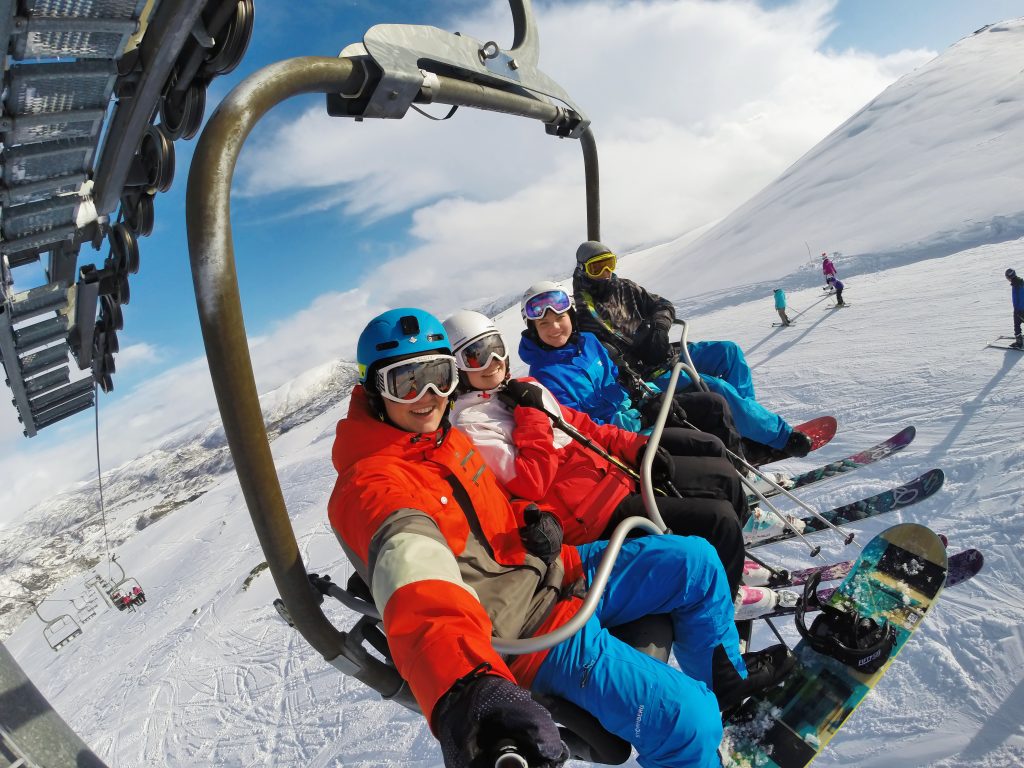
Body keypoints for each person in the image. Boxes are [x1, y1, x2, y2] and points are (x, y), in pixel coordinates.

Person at [327, 308, 793, 768]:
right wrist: (469, 689)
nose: (428, 396)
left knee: (696, 561)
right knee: (687, 720)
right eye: (407, 382)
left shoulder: (444, 439)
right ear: (373, 388)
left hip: (557, 570)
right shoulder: (372, 486)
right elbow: (419, 584)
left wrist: (531, 518)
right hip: (528, 629)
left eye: (439, 377)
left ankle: (725, 684)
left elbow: (496, 505)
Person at [442, 309, 753, 599]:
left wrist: (636, 446)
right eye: (476, 356)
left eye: (495, 347)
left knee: (722, 477)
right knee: (719, 520)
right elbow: (531, 483)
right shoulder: (472, 425)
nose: (493, 361)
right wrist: (531, 414)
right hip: (593, 515)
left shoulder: (523, 387)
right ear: (457, 368)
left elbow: (585, 426)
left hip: (615, 475)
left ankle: (731, 560)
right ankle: (726, 600)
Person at [523, 280, 812, 464]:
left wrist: (658, 329)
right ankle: (764, 442)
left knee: (727, 357)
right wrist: (639, 413)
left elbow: (619, 374)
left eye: (559, 317)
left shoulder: (590, 338)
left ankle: (746, 435)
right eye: (543, 324)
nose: (555, 327)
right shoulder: (550, 373)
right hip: (627, 425)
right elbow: (581, 426)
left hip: (654, 367)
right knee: (713, 393)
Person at [1006, 268, 1024, 349]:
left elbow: (1020, 297)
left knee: (1017, 325)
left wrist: (1019, 310)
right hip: (1020, 308)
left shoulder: (1016, 285)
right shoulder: (1019, 282)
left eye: (1007, 277)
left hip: (1019, 309)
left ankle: (1019, 343)